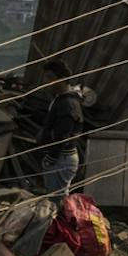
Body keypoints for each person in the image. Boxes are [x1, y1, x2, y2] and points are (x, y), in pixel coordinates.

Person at [38, 60, 89, 193]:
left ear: (63, 79)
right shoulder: (60, 99)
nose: (46, 81)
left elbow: (64, 135)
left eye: (50, 77)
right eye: (46, 77)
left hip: (61, 159)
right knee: (55, 198)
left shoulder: (67, 103)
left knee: (56, 201)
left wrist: (51, 158)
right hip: (60, 157)